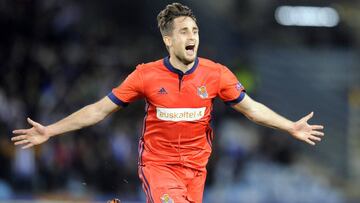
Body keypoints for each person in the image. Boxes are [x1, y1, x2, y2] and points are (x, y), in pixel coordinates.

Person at [11, 3, 324, 203]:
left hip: (196, 171)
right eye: (184, 31)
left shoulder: (217, 75)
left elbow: (252, 109)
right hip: (158, 167)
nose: (192, 36)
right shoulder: (145, 76)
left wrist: (290, 126)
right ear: (168, 40)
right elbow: (98, 110)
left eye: (195, 30)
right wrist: (51, 130)